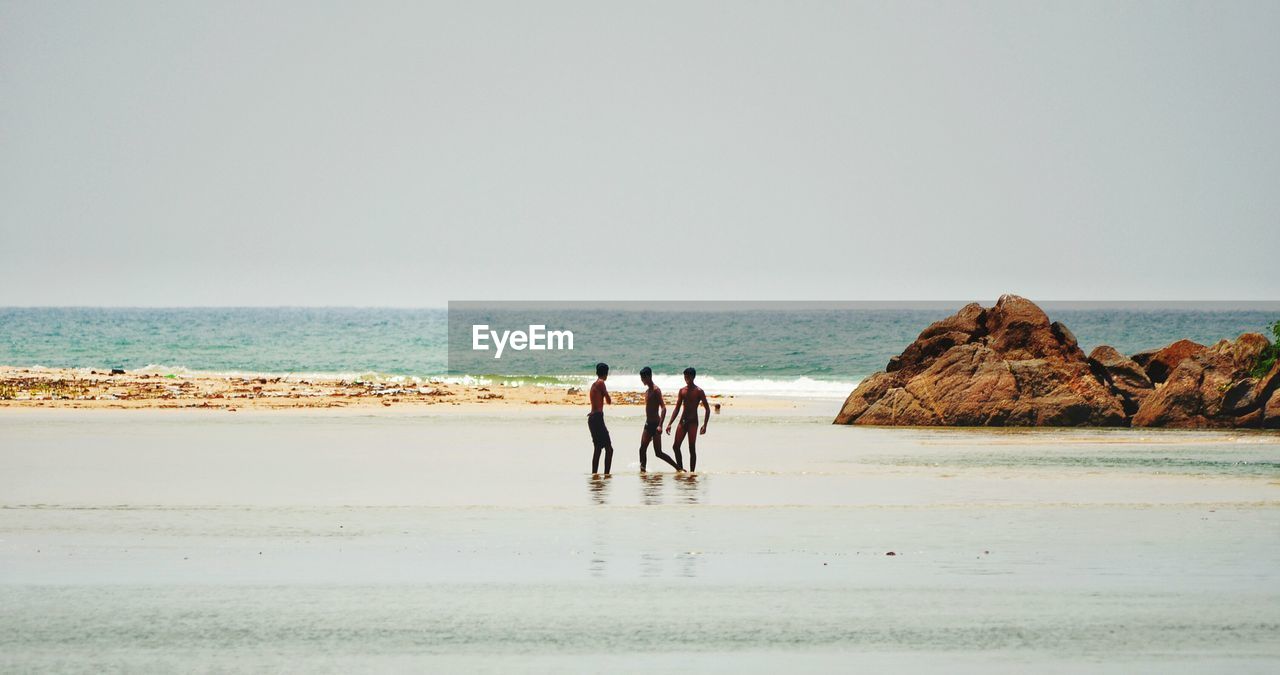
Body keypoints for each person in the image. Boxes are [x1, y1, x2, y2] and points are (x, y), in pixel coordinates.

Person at [666, 367, 710, 472]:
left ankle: (692, 473)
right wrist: (670, 423)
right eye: (685, 376)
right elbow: (677, 408)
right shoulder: (682, 391)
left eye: (688, 376)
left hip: (693, 423)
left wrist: (705, 425)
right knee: (676, 447)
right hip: (683, 421)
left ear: (693, 377)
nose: (686, 378)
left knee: (691, 448)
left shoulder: (699, 391)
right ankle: (680, 469)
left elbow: (707, 409)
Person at [638, 367, 680, 472]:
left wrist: (660, 425)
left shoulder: (656, 390)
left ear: (649, 377)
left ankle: (678, 468)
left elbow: (664, 408)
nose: (642, 380)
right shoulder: (647, 391)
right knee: (642, 449)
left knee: (658, 453)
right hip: (648, 424)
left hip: (656, 425)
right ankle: (643, 471)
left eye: (643, 378)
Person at [587, 362, 614, 476]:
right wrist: (607, 395)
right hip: (597, 418)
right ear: (605, 373)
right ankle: (606, 475)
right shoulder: (601, 383)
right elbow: (608, 400)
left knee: (598, 448)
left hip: (592, 418)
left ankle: (594, 474)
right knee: (609, 449)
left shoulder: (594, 384)